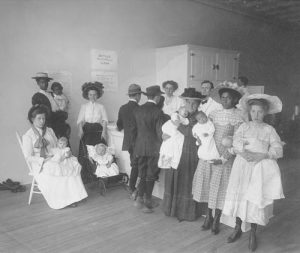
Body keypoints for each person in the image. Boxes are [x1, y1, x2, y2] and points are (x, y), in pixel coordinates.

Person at [223, 94, 284, 252]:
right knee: (239, 195)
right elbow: (236, 142)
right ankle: (237, 227)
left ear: (265, 113)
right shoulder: (244, 127)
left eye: (260, 112)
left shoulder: (269, 129)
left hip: (258, 168)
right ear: (249, 112)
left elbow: (277, 148)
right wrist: (243, 153)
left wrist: (263, 155)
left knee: (254, 199)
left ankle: (253, 232)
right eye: (253, 111)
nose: (256, 115)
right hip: (242, 166)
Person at [192, 84, 244, 234]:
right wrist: (199, 140)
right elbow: (203, 129)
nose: (225, 100)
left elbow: (237, 142)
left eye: (229, 98)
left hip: (224, 159)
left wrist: (223, 158)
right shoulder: (213, 113)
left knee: (220, 188)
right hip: (209, 155)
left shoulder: (239, 116)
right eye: (223, 97)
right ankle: (208, 216)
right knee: (209, 185)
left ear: (235, 99)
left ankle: (217, 219)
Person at [22, 104, 88, 209]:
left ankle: (76, 195)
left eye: (43, 118)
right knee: (57, 168)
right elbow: (28, 157)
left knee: (72, 162)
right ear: (32, 119)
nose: (42, 121)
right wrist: (43, 160)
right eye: (39, 118)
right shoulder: (28, 136)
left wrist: (64, 152)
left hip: (54, 156)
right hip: (40, 163)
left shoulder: (49, 130)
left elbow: (57, 145)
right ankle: (65, 200)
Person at [162, 88, 205, 221]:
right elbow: (167, 127)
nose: (192, 106)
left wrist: (177, 125)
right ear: (185, 103)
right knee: (175, 177)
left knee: (187, 180)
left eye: (195, 104)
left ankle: (186, 212)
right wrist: (165, 134)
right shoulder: (179, 113)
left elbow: (189, 133)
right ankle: (173, 210)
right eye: (189, 103)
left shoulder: (201, 117)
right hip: (176, 151)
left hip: (191, 151)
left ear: (199, 104)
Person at [132, 85, 165, 213]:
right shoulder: (158, 112)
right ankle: (147, 201)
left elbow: (133, 131)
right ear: (157, 97)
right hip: (153, 147)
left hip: (140, 147)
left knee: (142, 173)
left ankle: (139, 199)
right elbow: (160, 133)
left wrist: (135, 147)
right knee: (150, 174)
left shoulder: (138, 110)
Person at [77, 81, 108, 183]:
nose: (92, 97)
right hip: (87, 132)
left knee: (98, 152)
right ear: (87, 95)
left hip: (97, 131)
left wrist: (104, 132)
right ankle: (87, 177)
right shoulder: (84, 107)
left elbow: (104, 120)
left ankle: (99, 175)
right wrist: (80, 129)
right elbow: (80, 120)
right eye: (90, 94)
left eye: (94, 95)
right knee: (86, 153)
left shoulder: (101, 107)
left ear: (97, 95)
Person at [117, 84, 143, 199]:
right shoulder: (140, 108)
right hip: (139, 141)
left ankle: (132, 187)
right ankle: (134, 189)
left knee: (134, 165)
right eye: (140, 95)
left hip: (129, 142)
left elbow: (119, 126)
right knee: (139, 166)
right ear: (138, 95)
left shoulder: (123, 108)